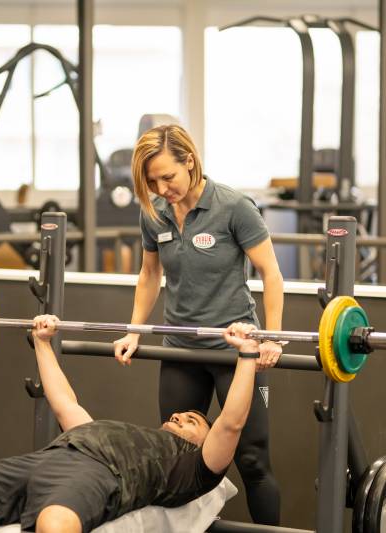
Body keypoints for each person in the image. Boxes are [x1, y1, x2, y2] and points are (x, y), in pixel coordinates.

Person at [0, 315, 262, 533]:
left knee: (54, 525)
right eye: (180, 414)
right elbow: (65, 403)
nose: (178, 415)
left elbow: (231, 423)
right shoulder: (108, 432)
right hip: (45, 459)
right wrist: (42, 342)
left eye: (192, 420)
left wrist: (247, 355)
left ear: (206, 445)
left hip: (98, 473)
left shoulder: (193, 469)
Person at [113, 124, 284, 525]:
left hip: (235, 351)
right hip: (181, 348)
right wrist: (134, 330)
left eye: (168, 176)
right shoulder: (153, 213)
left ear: (189, 161)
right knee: (175, 459)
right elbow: (149, 275)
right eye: (152, 180)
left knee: (253, 459)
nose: (161, 187)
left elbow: (270, 273)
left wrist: (271, 337)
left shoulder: (234, 207)